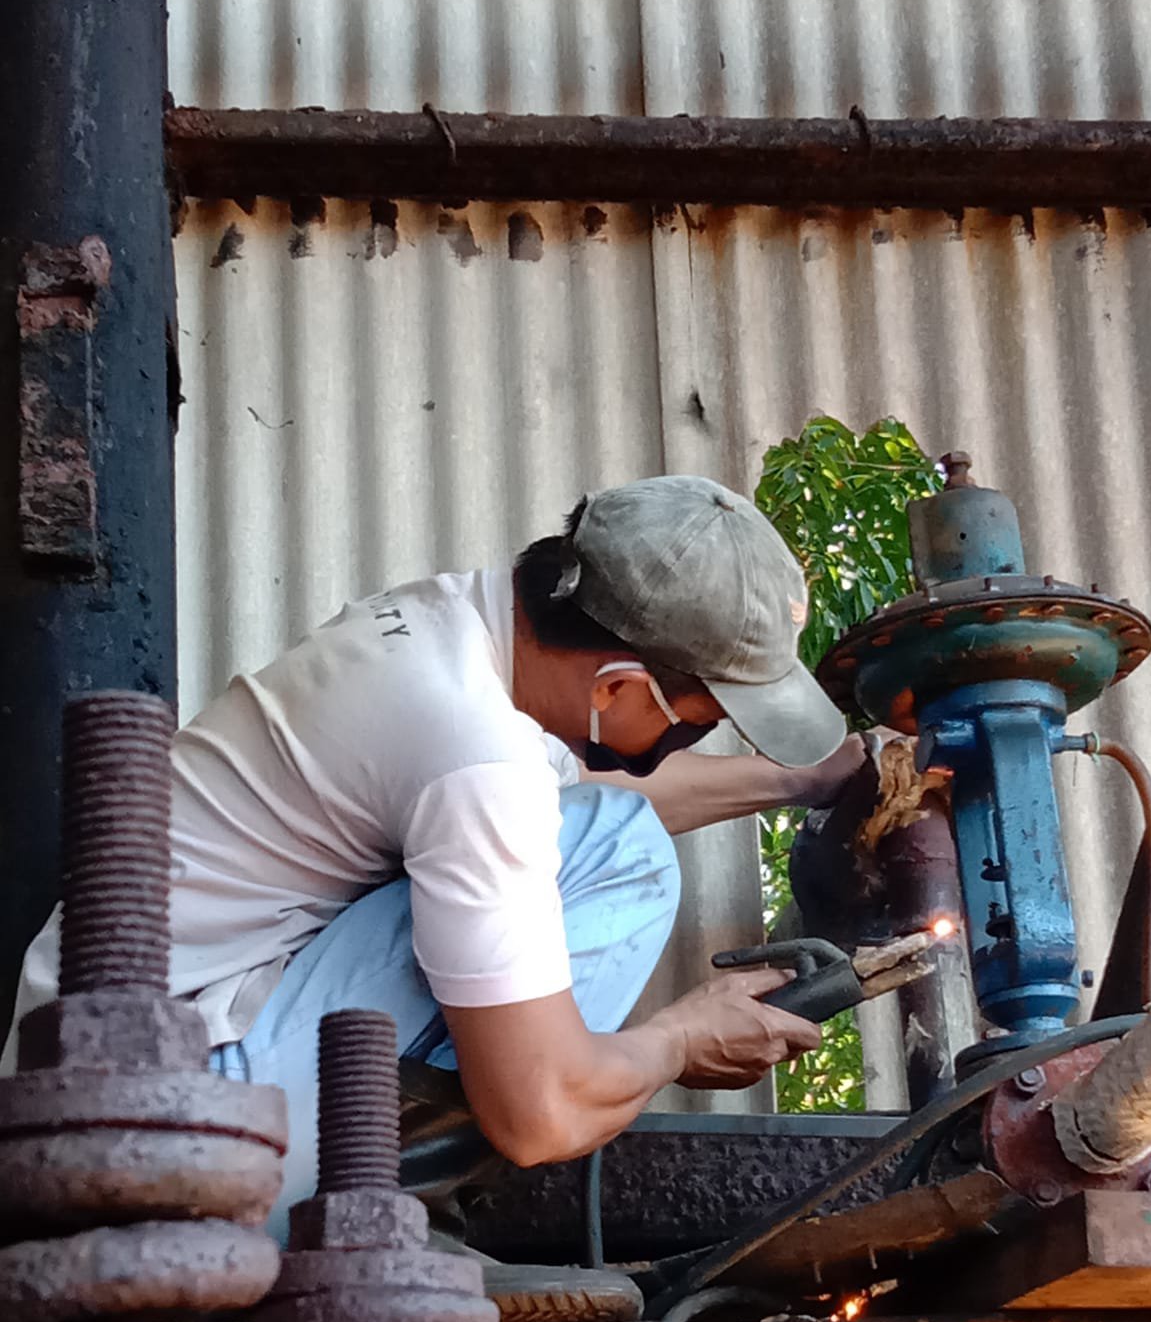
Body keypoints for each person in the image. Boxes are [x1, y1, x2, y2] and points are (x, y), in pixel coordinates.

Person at [13, 476, 867, 1243]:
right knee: (624, 854)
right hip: (169, 1150)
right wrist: (680, 1039)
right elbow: (542, 1116)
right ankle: (375, 1226)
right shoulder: (477, 760)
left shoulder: (447, 629)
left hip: (84, 1111)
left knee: (596, 829)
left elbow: (558, 788)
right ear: (616, 686)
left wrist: (799, 782)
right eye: (701, 721)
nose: (693, 740)